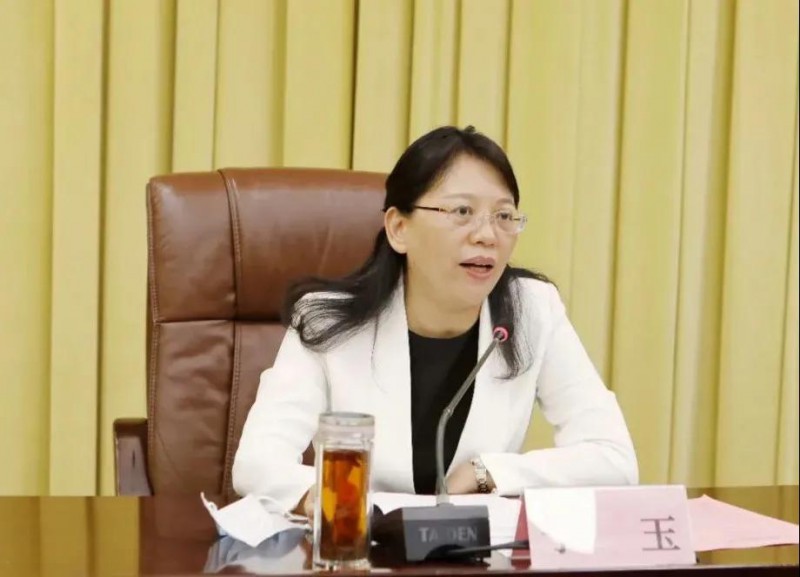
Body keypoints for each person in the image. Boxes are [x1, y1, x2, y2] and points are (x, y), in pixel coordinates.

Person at [232, 125, 638, 516]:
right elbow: (257, 462)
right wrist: (346, 505)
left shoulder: (531, 309)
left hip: (474, 552)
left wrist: (490, 472)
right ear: (399, 228)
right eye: (462, 211)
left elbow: (613, 458)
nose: (487, 235)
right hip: (361, 547)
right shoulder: (327, 322)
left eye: (504, 216)